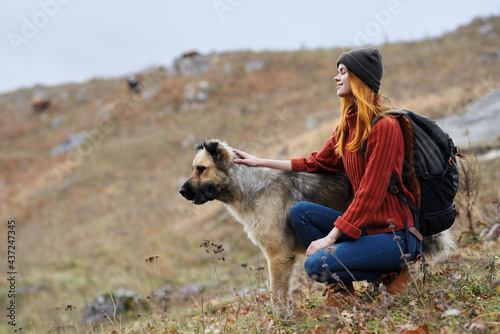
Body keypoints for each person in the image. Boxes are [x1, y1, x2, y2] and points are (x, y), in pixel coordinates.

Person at [233, 47, 422, 307]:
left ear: (360, 78)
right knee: (301, 212)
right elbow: (315, 162)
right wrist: (258, 161)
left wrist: (330, 238)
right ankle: (343, 291)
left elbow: (370, 193)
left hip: (396, 237)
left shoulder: (385, 127)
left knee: (316, 264)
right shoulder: (347, 127)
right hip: (367, 231)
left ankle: (393, 272)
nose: (336, 77)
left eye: (343, 72)